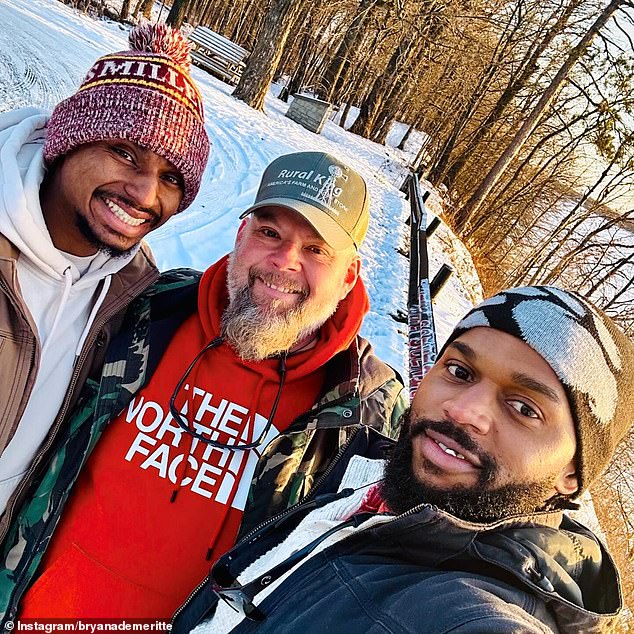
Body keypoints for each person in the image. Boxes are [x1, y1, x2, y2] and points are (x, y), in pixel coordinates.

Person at [1, 152, 407, 622]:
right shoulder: (146, 307)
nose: (284, 261)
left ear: (349, 276)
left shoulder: (366, 412)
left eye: (316, 250)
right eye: (269, 232)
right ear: (241, 236)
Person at [171, 286, 633, 634]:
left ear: (573, 473)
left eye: (524, 408)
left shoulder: (475, 613)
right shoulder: (375, 488)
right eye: (459, 371)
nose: (464, 410)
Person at [0, 20, 210, 530]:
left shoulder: (131, 291)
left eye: (170, 178)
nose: (144, 194)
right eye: (124, 153)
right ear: (69, 141)